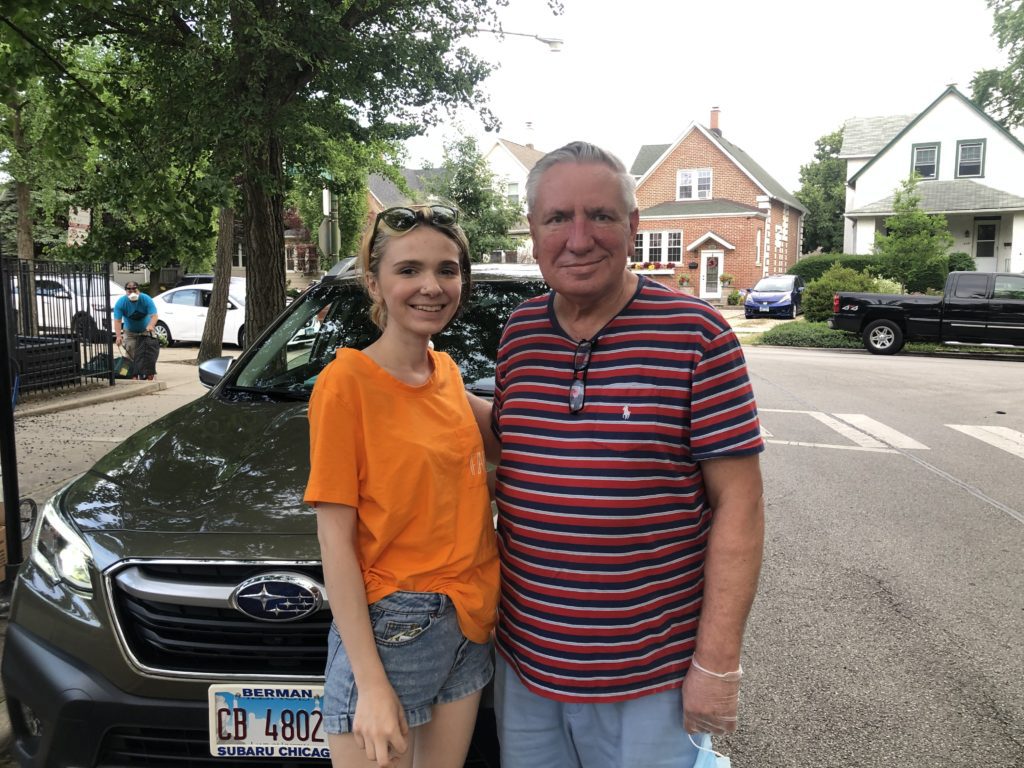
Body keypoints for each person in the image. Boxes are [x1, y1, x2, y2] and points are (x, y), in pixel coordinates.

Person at [490, 141, 766, 768]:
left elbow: (740, 506)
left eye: (602, 216)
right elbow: (504, 448)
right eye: (557, 218)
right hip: (526, 664)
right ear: (532, 231)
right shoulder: (519, 335)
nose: (579, 238)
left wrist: (717, 663)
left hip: (651, 675)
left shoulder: (699, 336)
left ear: (634, 226)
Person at [304, 204, 499, 768]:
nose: (431, 286)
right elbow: (334, 542)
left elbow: (516, 438)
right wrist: (370, 683)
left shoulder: (445, 372)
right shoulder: (347, 384)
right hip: (393, 629)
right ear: (375, 282)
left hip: (468, 621)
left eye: (447, 269)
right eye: (408, 270)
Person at [112, 281, 160, 379]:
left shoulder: (145, 299)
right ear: (126, 292)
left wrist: (151, 325)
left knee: (149, 351)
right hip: (130, 331)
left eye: (135, 290)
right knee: (130, 351)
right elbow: (117, 321)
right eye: (129, 291)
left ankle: (149, 373)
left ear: (138, 290)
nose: (132, 293)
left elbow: (154, 316)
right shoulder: (121, 303)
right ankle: (132, 373)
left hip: (146, 330)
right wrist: (118, 336)